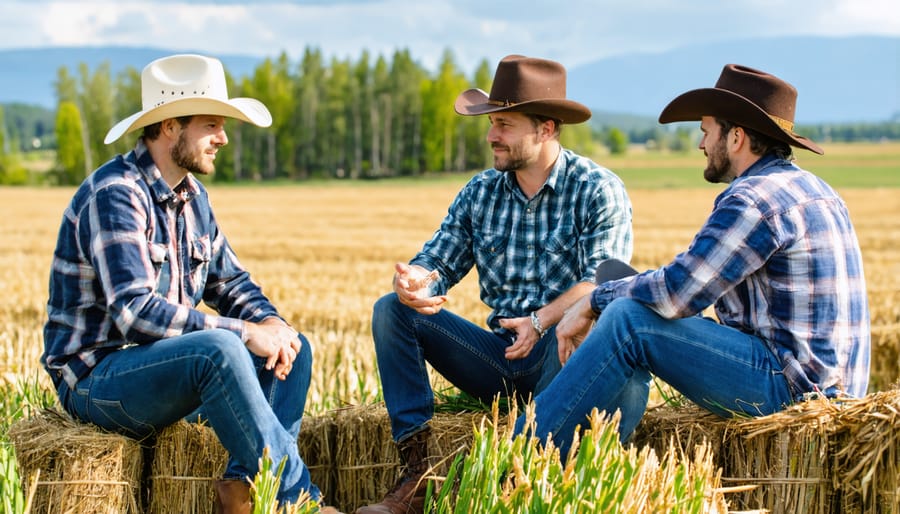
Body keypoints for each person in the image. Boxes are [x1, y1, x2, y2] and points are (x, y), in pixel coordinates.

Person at [518, 64, 871, 458]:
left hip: (793, 394)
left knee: (628, 321)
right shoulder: (816, 189)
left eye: (706, 131)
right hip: (839, 396)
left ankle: (520, 457)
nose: (701, 144)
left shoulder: (753, 198)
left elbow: (678, 292)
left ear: (736, 137)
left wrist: (596, 299)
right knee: (635, 307)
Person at [41, 54, 341, 514]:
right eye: (211, 125)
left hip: (159, 374)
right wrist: (244, 333)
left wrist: (270, 323)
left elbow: (230, 281)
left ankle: (241, 493)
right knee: (218, 349)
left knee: (293, 347)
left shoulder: (192, 197)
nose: (222, 138)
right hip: (96, 380)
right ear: (168, 127)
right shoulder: (116, 194)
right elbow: (136, 313)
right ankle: (298, 501)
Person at [356, 54, 634, 514]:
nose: (491, 136)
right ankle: (418, 475)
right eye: (491, 123)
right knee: (392, 310)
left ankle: (517, 480)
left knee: (585, 333)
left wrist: (541, 321)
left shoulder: (597, 189)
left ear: (546, 129)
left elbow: (601, 282)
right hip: (497, 356)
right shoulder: (480, 191)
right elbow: (439, 258)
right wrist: (416, 281)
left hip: (558, 352)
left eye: (503, 124)